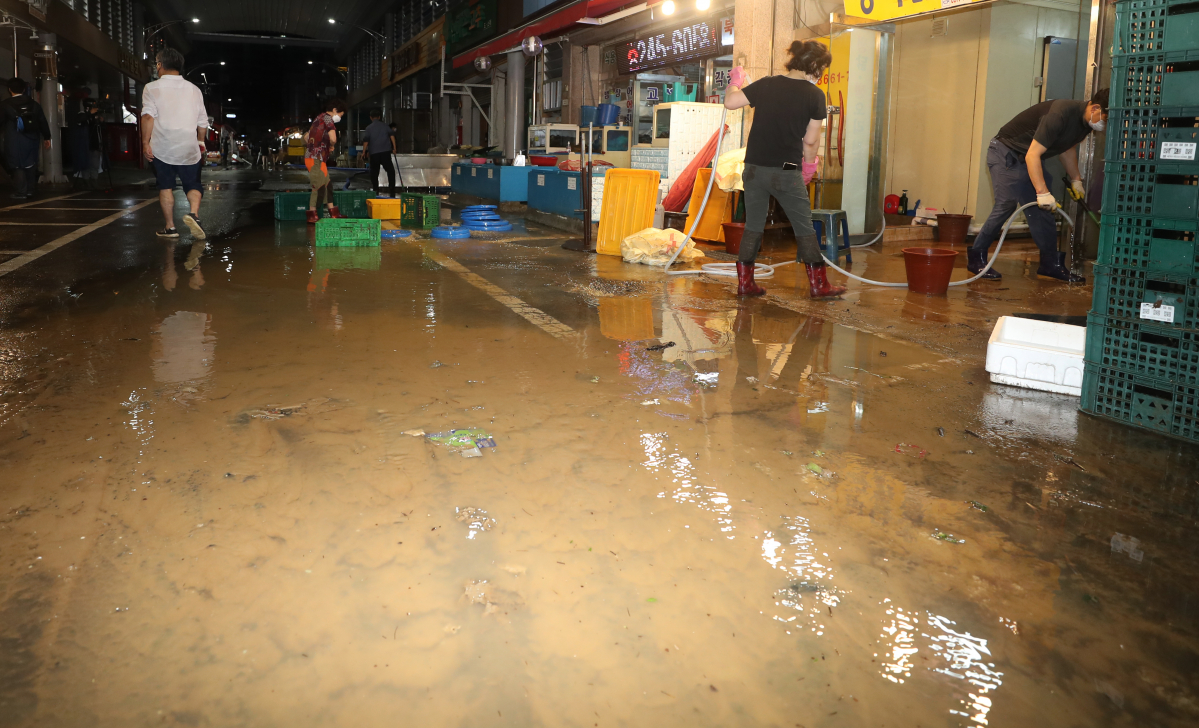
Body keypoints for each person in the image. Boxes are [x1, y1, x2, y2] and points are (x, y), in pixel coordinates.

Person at [723, 41, 845, 299]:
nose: (822, 72)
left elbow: (731, 102)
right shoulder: (815, 95)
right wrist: (809, 167)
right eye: (823, 67)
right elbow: (810, 141)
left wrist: (735, 81)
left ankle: (745, 284)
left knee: (753, 226)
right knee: (803, 227)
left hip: (754, 169)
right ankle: (819, 285)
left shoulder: (766, 84)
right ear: (814, 65)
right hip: (786, 172)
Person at [969, 89, 1109, 283]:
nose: (1104, 125)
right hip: (1006, 152)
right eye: (1105, 119)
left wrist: (1076, 179)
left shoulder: (1085, 124)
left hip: (1029, 156)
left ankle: (1050, 264)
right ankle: (976, 258)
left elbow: (1067, 149)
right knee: (1006, 203)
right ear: (1094, 108)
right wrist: (1042, 192)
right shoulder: (1059, 114)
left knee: (1043, 209)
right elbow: (1032, 155)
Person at [141, 48, 209, 240]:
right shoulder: (194, 90)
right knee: (193, 184)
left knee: (165, 186)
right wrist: (200, 141)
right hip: (188, 147)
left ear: (160, 65)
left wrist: (145, 142)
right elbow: (202, 121)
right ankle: (194, 214)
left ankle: (170, 228)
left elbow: (148, 117)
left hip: (162, 148)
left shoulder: (151, 88)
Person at [1, 78, 51, 200]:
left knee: (17, 165)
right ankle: (30, 190)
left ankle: (21, 192)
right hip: (32, 137)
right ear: (24, 89)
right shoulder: (34, 104)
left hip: (13, 138)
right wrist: (47, 137)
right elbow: (42, 121)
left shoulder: (5, 105)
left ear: (9, 89)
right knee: (30, 163)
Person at [305, 98, 347, 223]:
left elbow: (306, 137)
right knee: (318, 186)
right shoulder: (328, 119)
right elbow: (333, 138)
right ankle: (312, 215)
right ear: (334, 110)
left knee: (327, 184)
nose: (340, 118)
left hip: (315, 158)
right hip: (315, 159)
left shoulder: (318, 118)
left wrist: (316, 145)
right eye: (340, 115)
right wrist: (331, 145)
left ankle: (333, 212)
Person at [362, 108, 397, 198]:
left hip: (374, 154)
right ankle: (392, 188)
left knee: (374, 172)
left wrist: (364, 152)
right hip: (385, 152)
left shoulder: (368, 128)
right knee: (390, 171)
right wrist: (394, 148)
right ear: (379, 117)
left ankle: (375, 189)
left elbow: (366, 141)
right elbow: (392, 136)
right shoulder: (385, 126)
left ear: (371, 117)